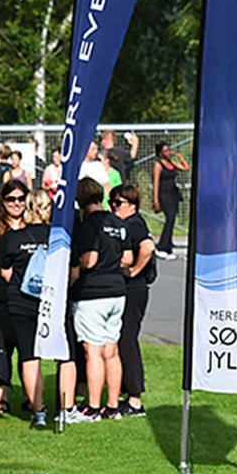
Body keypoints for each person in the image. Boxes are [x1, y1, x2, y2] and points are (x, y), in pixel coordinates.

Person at [70, 177, 132, 421]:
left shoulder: (89, 225)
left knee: (92, 350)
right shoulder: (117, 222)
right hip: (117, 290)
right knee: (111, 349)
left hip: (93, 293)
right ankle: (112, 404)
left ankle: (93, 406)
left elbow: (89, 260)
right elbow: (127, 258)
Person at [0, 189, 51, 428]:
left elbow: (6, 273)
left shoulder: (14, 238)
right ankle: (66, 405)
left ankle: (38, 410)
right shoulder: (57, 237)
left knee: (29, 356)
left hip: (21, 301)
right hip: (50, 302)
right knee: (61, 355)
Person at [0, 179, 29, 415]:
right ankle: (2, 397)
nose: (17, 204)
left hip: (26, 298)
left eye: (21, 199)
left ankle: (29, 394)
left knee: (27, 351)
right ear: (3, 201)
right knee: (1, 349)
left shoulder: (32, 228)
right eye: (11, 199)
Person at [112, 184, 155, 416]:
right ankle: (123, 390)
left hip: (134, 288)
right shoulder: (124, 225)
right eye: (112, 202)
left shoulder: (134, 224)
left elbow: (147, 248)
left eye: (119, 203)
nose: (114, 207)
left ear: (132, 205)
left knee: (127, 339)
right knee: (121, 338)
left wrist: (135, 270)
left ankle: (136, 397)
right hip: (128, 287)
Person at [152, 142, 189, 260]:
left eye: (169, 150)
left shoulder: (171, 163)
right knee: (169, 219)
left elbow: (186, 168)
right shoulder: (158, 165)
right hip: (164, 195)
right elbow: (156, 183)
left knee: (172, 220)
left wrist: (179, 156)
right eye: (166, 151)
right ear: (160, 152)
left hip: (173, 194)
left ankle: (168, 246)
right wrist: (156, 200)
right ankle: (162, 247)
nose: (168, 152)